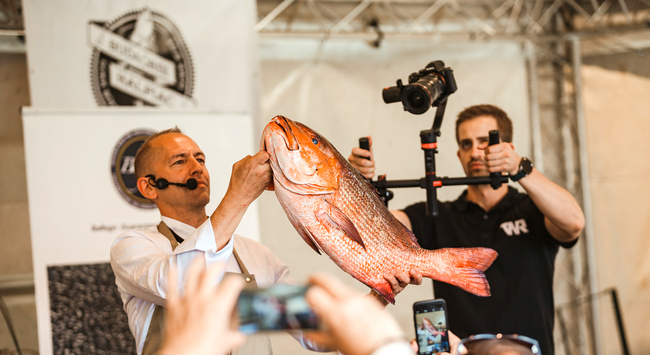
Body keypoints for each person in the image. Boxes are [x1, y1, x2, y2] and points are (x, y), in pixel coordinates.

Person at [110, 127, 416, 355]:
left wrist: (380, 292)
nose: (197, 168)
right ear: (149, 187)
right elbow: (179, 285)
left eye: (200, 159)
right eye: (180, 161)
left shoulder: (255, 255)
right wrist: (239, 196)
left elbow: (313, 330)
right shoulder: (134, 248)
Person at [348, 104, 585, 355]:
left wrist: (520, 168)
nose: (475, 152)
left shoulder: (533, 209)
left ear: (508, 148)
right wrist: (355, 184)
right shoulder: (437, 215)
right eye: (466, 144)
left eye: (484, 142)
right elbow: (366, 231)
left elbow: (574, 223)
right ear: (459, 154)